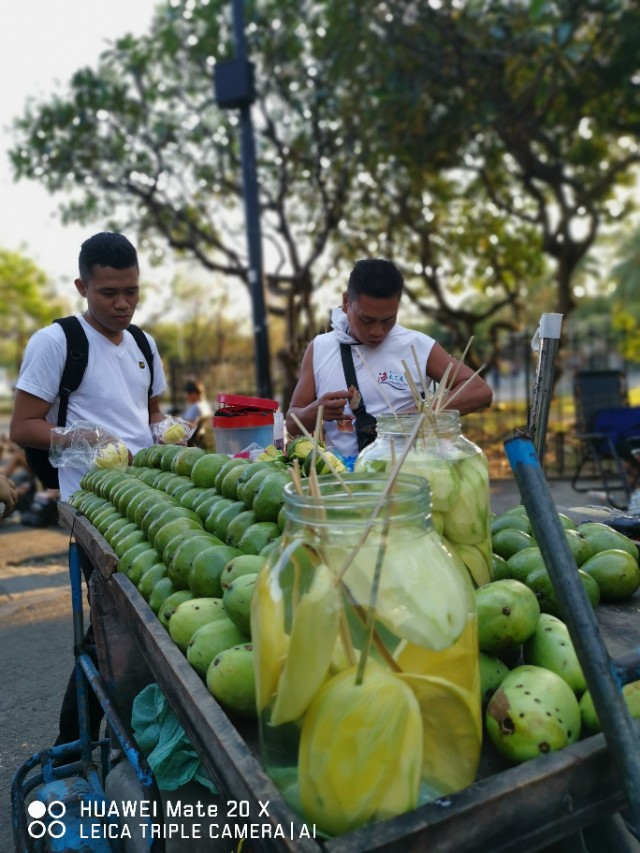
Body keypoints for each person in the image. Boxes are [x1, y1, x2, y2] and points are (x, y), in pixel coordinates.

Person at [10, 231, 168, 748]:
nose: (122, 304)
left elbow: (148, 415)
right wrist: (75, 436)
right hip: (97, 512)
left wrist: (166, 431)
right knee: (109, 633)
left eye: (131, 291)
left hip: (150, 500)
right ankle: (71, 744)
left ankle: (123, 736)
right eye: (108, 293)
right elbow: (23, 425)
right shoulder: (57, 342)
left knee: (140, 628)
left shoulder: (144, 344)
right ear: (83, 286)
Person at [286, 258, 493, 463]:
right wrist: (316, 411)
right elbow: (292, 423)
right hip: (344, 483)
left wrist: (415, 416)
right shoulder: (320, 348)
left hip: (407, 477)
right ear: (347, 301)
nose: (377, 331)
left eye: (387, 320)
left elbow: (479, 391)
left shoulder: (417, 345)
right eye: (366, 320)